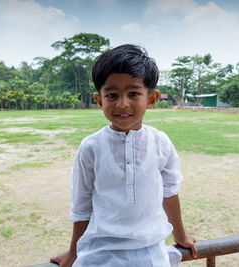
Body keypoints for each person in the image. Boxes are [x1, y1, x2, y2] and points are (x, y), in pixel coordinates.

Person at [50, 44, 197, 267]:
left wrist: (180, 237)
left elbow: (170, 193)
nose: (122, 104)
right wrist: (74, 252)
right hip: (99, 252)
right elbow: (82, 205)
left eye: (134, 93)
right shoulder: (91, 147)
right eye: (111, 94)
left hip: (151, 252)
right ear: (100, 100)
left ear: (151, 99)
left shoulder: (161, 143)